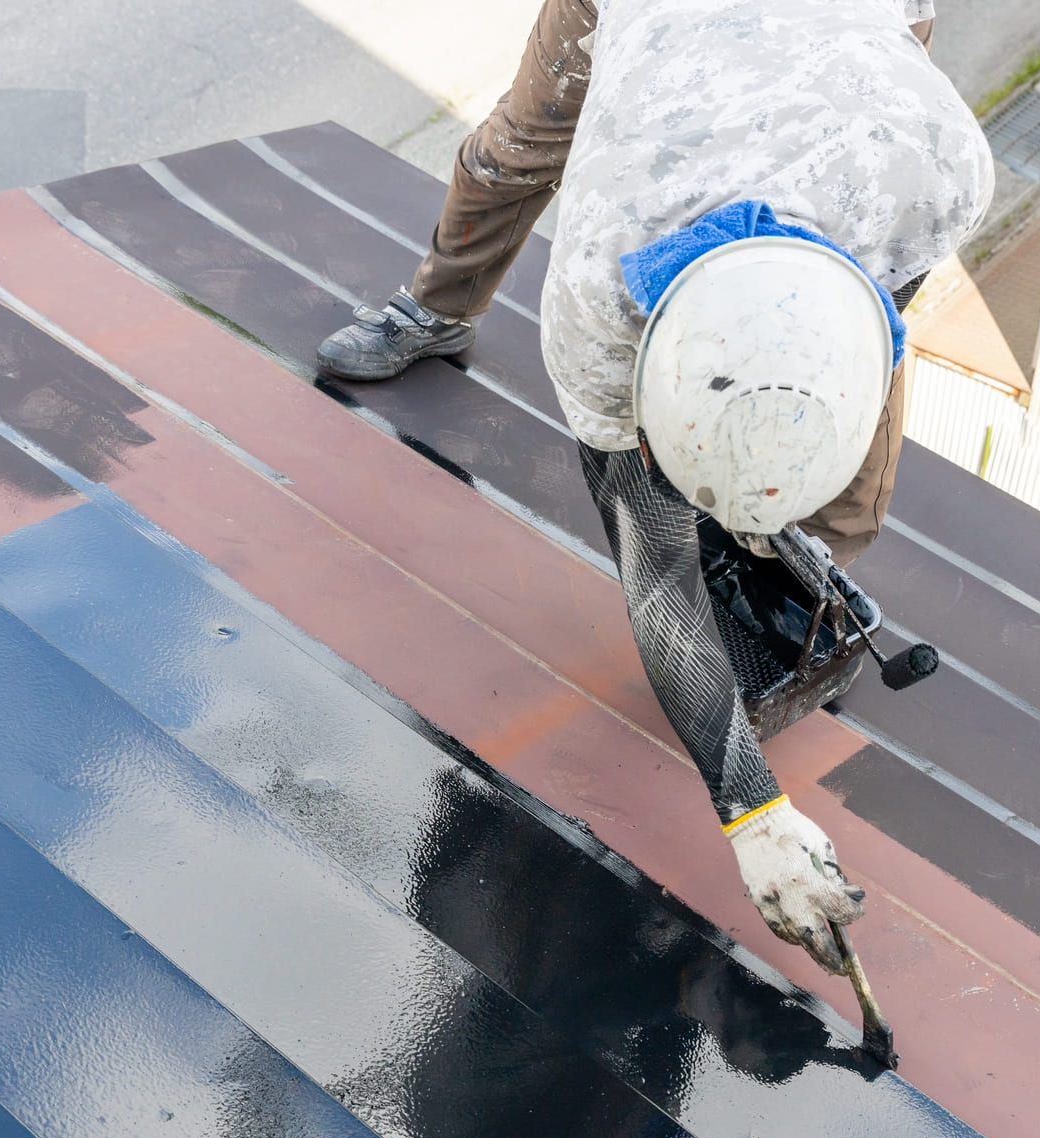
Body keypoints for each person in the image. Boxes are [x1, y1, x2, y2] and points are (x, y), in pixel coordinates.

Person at [317, 0, 990, 977]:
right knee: (517, 144)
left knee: (843, 362)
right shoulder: (597, 297)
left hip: (854, 64)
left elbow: (864, 317)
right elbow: (658, 567)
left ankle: (803, 558)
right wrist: (751, 809)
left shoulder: (937, 171)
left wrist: (775, 471)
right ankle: (435, 306)